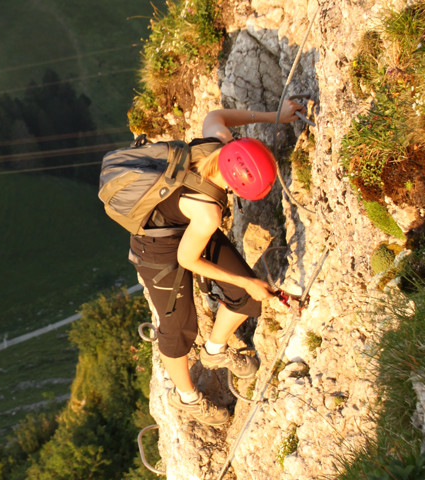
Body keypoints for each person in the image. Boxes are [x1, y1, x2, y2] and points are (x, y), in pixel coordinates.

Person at [129, 100, 304, 425]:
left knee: (246, 298)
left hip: (187, 227)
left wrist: (275, 117)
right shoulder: (208, 212)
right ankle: (187, 398)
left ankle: (214, 351)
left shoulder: (219, 145)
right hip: (156, 247)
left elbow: (215, 117)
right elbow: (186, 258)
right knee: (176, 329)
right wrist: (247, 281)